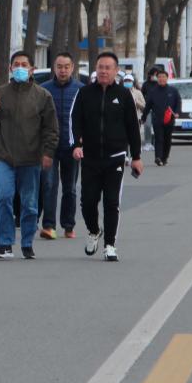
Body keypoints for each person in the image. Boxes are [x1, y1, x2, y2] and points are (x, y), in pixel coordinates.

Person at [0, 51, 58, 260]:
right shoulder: (0, 93)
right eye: (16, 64)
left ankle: (27, 243)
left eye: (24, 65)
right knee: (4, 197)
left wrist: (48, 152)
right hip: (5, 157)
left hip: (31, 158)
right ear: (10, 68)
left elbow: (51, 129)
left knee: (30, 204)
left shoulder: (43, 96)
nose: (20, 68)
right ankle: (5, 244)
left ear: (32, 69)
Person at [71, 52, 143, 261]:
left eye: (108, 68)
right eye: (100, 67)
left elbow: (133, 127)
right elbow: (74, 121)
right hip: (90, 157)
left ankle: (110, 245)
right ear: (96, 69)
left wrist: (136, 156)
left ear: (116, 71)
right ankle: (94, 230)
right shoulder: (84, 93)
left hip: (115, 157)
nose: (103, 71)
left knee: (112, 202)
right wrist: (76, 145)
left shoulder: (124, 95)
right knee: (88, 201)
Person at [38, 52, 82, 240]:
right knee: (48, 185)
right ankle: (49, 226)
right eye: (59, 67)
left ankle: (68, 225)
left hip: (72, 147)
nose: (63, 70)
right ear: (54, 68)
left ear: (72, 68)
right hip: (49, 147)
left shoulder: (81, 90)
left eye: (66, 67)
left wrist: (82, 142)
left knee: (70, 188)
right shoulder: (43, 90)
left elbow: (87, 119)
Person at [142, 70, 181, 166]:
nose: (161, 79)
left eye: (163, 77)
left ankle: (165, 157)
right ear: (157, 78)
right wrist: (143, 117)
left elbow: (178, 102)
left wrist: (177, 112)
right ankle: (158, 157)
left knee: (167, 138)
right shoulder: (153, 91)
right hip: (157, 118)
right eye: (159, 77)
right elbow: (148, 106)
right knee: (158, 138)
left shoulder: (173, 90)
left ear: (167, 78)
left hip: (169, 118)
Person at [123, 73, 146, 142]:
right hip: (123, 118)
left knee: (135, 137)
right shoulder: (120, 92)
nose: (127, 82)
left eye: (129, 81)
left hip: (136, 118)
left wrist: (137, 102)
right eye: (126, 81)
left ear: (133, 82)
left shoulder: (138, 92)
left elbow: (144, 107)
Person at [140, 67, 159, 151]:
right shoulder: (146, 84)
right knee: (147, 126)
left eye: (156, 75)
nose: (155, 77)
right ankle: (148, 143)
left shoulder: (159, 84)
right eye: (154, 75)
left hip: (157, 108)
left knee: (156, 126)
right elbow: (142, 95)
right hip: (147, 108)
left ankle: (156, 143)